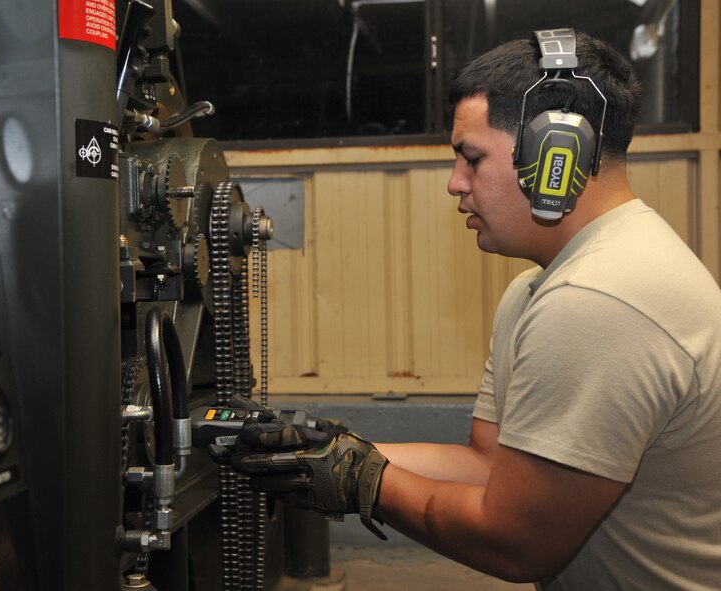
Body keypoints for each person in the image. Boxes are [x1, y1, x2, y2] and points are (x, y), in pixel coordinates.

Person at [214, 30, 721, 589]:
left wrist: (361, 479)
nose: (455, 184)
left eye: (472, 159)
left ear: (558, 154)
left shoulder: (598, 302)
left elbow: (516, 544)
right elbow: (488, 467)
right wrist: (327, 449)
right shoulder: (540, 288)